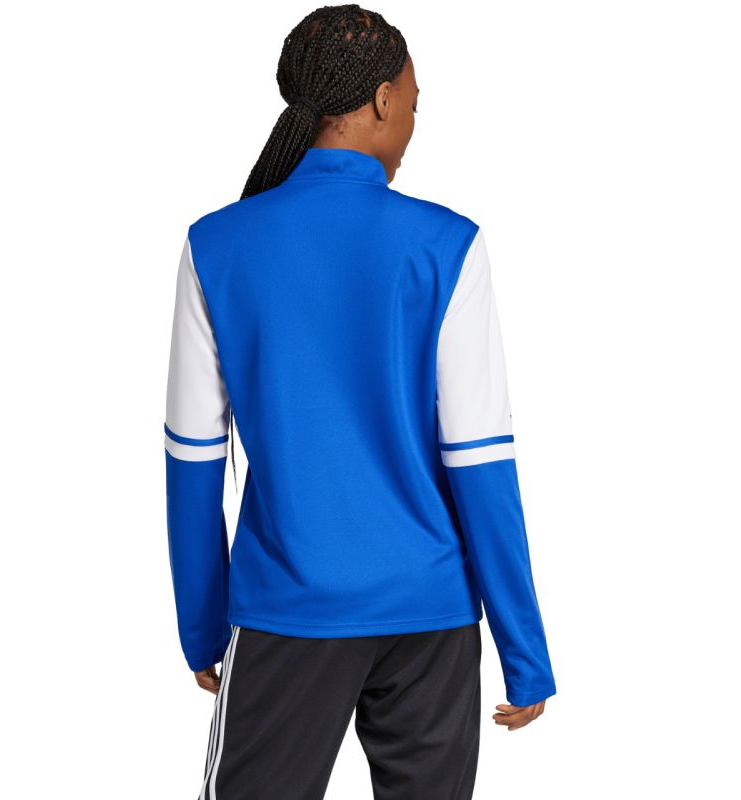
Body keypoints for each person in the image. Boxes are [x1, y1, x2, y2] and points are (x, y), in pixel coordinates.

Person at [163, 4, 556, 798]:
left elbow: (194, 460)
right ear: (381, 100)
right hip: (432, 613)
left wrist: (202, 628)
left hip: (286, 609)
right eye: (413, 101)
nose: (412, 122)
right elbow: (480, 462)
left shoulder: (217, 243)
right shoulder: (448, 245)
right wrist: (524, 650)